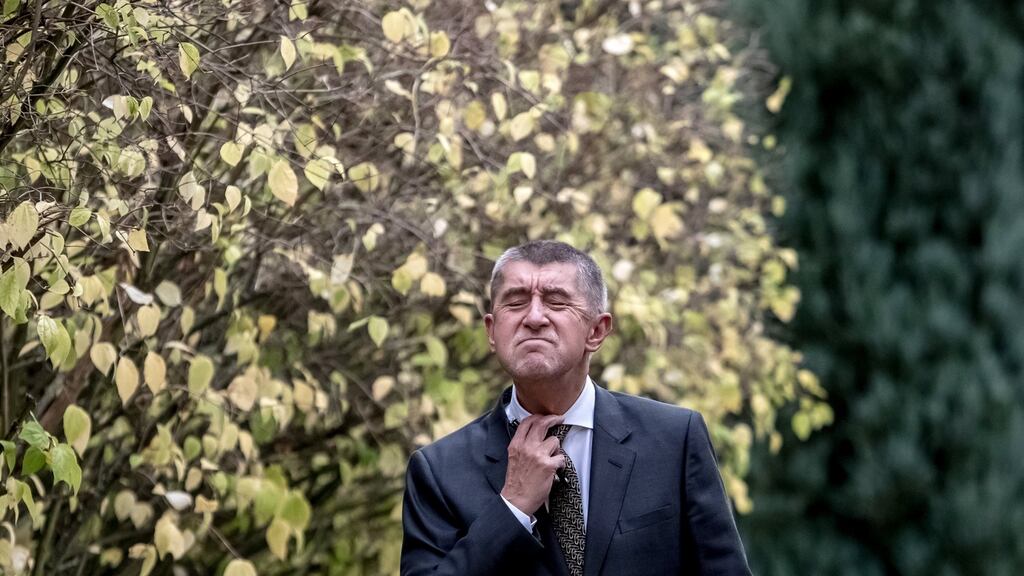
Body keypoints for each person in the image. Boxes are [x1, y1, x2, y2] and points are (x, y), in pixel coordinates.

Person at [401, 240, 751, 576]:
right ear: (492, 331)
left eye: (556, 302)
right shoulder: (439, 471)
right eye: (516, 302)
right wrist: (513, 507)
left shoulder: (674, 440)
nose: (534, 317)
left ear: (597, 331)